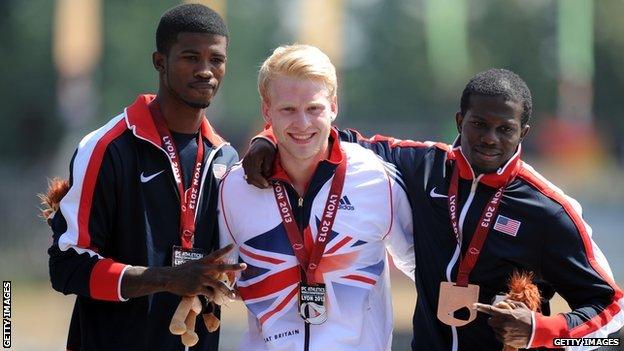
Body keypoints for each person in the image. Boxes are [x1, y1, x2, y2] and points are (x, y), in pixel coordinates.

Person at [243, 68, 624, 350]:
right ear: (460, 121)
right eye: (479, 124)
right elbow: (327, 136)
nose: (490, 139)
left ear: (523, 133)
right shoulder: (420, 165)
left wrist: (542, 332)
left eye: (504, 129)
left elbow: (613, 313)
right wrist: (267, 138)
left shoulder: (549, 210)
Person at [46, 4, 246, 351]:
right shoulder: (107, 147)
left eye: (216, 59)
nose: (205, 71)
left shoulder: (225, 159)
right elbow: (67, 266)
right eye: (190, 57)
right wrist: (168, 279)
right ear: (159, 61)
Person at [217, 44, 415, 351]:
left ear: (333, 106)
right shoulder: (235, 188)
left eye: (314, 109)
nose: (303, 124)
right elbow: (217, 278)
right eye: (288, 110)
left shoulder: (376, 179)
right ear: (266, 111)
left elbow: (424, 266)